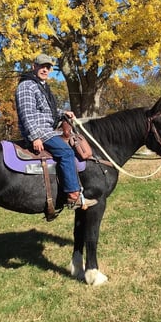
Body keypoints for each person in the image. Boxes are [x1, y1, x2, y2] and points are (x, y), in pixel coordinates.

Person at [15, 54, 97, 210]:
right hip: (39, 131)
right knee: (66, 152)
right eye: (41, 66)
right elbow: (26, 113)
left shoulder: (41, 86)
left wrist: (64, 113)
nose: (45, 69)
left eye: (48, 67)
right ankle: (73, 196)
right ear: (34, 67)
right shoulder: (27, 85)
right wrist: (35, 137)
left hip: (47, 129)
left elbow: (48, 111)